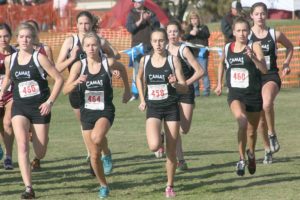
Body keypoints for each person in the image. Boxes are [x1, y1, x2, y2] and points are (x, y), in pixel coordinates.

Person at [63, 31, 130, 199]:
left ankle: (106, 152)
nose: (91, 48)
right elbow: (65, 90)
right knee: (93, 154)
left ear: (99, 46)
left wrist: (127, 91)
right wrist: (76, 82)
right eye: (88, 45)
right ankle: (103, 185)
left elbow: (122, 69)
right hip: (86, 112)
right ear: (83, 48)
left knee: (97, 138)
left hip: (105, 110)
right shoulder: (79, 66)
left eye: (94, 45)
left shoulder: (108, 63)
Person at [0, 22, 63, 199]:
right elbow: (8, 79)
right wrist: (1, 93)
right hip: (19, 106)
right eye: (21, 37)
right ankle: (29, 188)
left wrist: (50, 102)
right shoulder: (9, 59)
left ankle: (38, 138)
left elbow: (59, 79)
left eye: (28, 36)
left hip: (40, 107)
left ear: (33, 39)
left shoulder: (39, 58)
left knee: (40, 151)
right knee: (21, 145)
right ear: (17, 39)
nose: (25, 40)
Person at [56, 11, 122, 176]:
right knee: (87, 127)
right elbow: (57, 68)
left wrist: (110, 66)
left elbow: (117, 55)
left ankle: (100, 154)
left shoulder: (98, 41)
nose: (84, 26)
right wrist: (72, 58)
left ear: (92, 24)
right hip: (77, 90)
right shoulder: (70, 41)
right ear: (76, 25)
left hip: (99, 89)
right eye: (81, 24)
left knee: (97, 132)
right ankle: (95, 153)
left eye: (87, 23)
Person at [136, 28, 188, 197]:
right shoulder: (145, 60)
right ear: (151, 43)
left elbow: (184, 87)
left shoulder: (174, 60)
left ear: (166, 41)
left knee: (171, 152)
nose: (158, 44)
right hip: (154, 108)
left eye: (161, 40)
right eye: (155, 41)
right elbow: (138, 78)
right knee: (153, 146)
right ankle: (161, 138)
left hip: (171, 107)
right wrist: (142, 99)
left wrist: (175, 84)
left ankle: (169, 185)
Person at [215, 17, 267, 176]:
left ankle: (251, 153)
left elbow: (264, 69)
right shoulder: (227, 48)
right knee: (242, 121)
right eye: (238, 30)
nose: (242, 33)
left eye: (245, 30)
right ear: (233, 32)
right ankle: (241, 159)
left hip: (253, 95)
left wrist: (253, 57)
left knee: (251, 132)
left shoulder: (255, 46)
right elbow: (221, 64)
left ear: (249, 31)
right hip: (235, 94)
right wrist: (219, 83)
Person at [249, 2, 293, 164]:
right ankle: (267, 150)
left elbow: (290, 47)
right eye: (257, 13)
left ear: (266, 15)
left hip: (271, 76)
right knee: (260, 119)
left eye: (262, 13)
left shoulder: (274, 34)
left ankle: (272, 134)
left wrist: (286, 64)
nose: (260, 16)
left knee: (267, 104)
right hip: (254, 79)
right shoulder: (246, 36)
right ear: (251, 16)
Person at [166, 21, 204, 170]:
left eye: (175, 31)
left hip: (186, 91)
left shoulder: (184, 50)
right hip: (170, 92)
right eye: (169, 32)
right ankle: (180, 160)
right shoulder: (163, 49)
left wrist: (185, 84)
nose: (172, 35)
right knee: (174, 126)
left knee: (184, 129)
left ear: (179, 33)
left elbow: (200, 71)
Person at [126, 0, 160, 101]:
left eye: (138, 2)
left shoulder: (150, 13)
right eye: (134, 2)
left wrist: (149, 20)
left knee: (150, 69)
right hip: (137, 47)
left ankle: (151, 91)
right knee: (137, 71)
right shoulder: (131, 14)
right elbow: (130, 29)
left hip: (150, 46)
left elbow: (157, 27)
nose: (136, 3)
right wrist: (140, 21)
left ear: (143, 3)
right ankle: (136, 94)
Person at [0, 23, 16, 170]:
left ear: (10, 36)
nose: (3, 39)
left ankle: (8, 156)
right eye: (0, 36)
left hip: (12, 94)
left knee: (8, 123)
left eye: (5, 36)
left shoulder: (16, 53)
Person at [184, 10, 210, 97]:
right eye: (192, 19)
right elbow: (184, 37)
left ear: (199, 19)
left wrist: (198, 31)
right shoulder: (188, 28)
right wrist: (190, 34)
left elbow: (207, 35)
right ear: (190, 20)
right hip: (192, 54)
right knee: (195, 73)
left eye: (196, 18)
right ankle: (196, 92)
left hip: (202, 54)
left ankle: (206, 92)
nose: (194, 20)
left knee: (204, 73)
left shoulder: (204, 27)